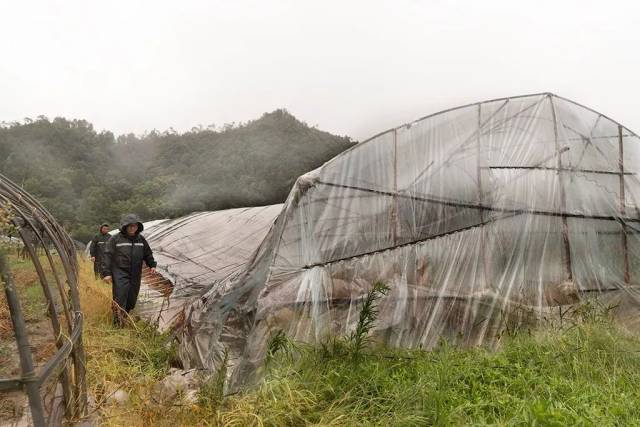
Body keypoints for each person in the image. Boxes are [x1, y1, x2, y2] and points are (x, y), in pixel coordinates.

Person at [102, 213, 157, 326]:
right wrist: (107, 273)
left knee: (132, 298)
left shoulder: (140, 239)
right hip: (120, 272)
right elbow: (107, 255)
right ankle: (117, 324)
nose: (133, 228)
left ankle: (125, 316)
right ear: (125, 226)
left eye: (135, 226)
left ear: (138, 227)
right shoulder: (115, 239)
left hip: (135, 273)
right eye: (130, 226)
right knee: (120, 296)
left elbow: (147, 253)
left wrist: (152, 265)